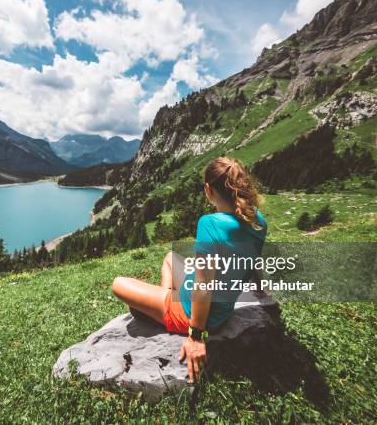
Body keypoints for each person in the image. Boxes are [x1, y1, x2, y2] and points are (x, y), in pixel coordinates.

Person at [112, 157, 267, 383]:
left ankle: (163, 307)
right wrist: (260, 289)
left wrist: (196, 336)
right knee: (169, 258)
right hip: (222, 310)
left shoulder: (210, 223)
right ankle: (162, 299)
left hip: (192, 313)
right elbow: (252, 259)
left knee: (118, 284)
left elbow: (203, 287)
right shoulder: (257, 220)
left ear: (208, 189)